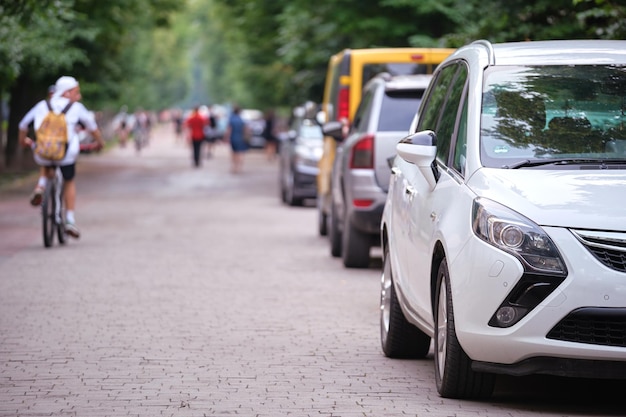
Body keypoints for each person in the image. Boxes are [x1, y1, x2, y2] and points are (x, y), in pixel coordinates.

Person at [18, 75, 104, 239]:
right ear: (67, 92)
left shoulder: (43, 105)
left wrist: (23, 141)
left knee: (46, 161)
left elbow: (22, 124)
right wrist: (100, 143)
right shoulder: (76, 107)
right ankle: (70, 220)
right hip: (66, 155)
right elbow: (93, 128)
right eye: (76, 92)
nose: (78, 95)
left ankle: (41, 187)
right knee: (69, 181)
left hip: (43, 153)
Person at [223, 106, 248, 174]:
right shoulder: (241, 120)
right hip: (240, 138)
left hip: (233, 138)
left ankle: (234, 167)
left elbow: (229, 129)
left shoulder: (232, 119)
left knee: (234, 153)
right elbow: (245, 129)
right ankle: (239, 167)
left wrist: (225, 137)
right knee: (240, 153)